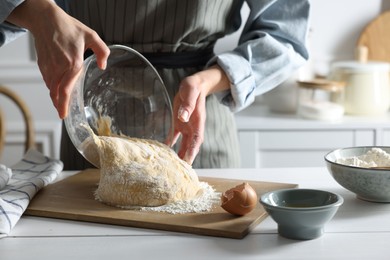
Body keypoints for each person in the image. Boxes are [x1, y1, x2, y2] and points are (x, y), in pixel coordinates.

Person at [0, 0, 310, 170]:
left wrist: (210, 80)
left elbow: (286, 36)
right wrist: (40, 12)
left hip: (194, 122)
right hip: (89, 122)